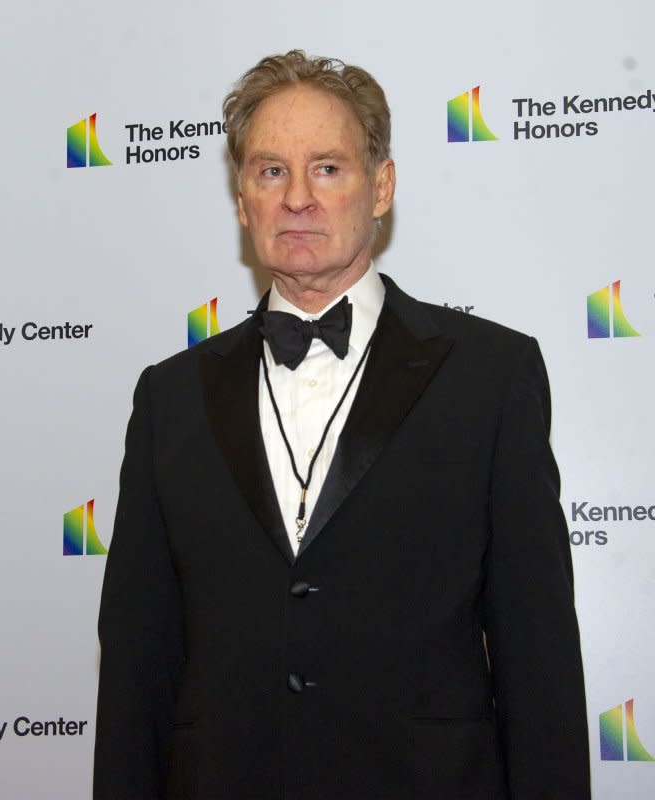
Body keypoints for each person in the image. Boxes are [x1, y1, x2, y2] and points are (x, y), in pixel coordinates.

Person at [94, 50, 590, 799]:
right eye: (270, 172)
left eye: (327, 168)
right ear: (241, 200)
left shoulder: (492, 377)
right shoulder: (170, 398)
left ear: (381, 186)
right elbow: (136, 668)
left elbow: (538, 657)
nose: (297, 197)